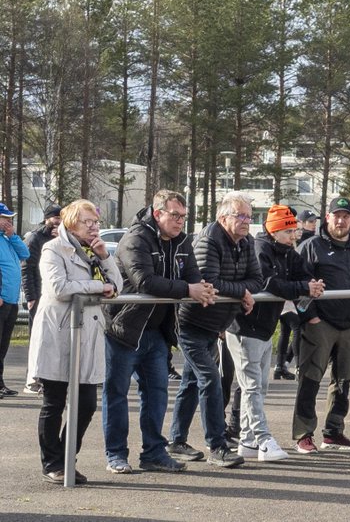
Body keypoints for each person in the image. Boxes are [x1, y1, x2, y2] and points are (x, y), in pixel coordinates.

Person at [104, 190, 216, 474]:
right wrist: (188, 289)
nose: (180, 221)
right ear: (157, 214)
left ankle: (154, 453)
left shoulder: (183, 241)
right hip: (124, 329)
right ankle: (116, 454)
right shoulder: (135, 238)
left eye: (183, 216)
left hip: (157, 332)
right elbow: (144, 281)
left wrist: (202, 288)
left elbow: (193, 275)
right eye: (175, 215)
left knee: (156, 394)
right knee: (116, 394)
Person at [169, 192, 264, 469]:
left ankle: (176, 440)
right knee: (210, 379)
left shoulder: (246, 242)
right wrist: (242, 292)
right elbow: (209, 281)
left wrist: (242, 290)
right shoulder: (208, 240)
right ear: (223, 218)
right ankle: (217, 445)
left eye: (249, 216)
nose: (246, 221)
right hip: (191, 322)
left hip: (216, 323)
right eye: (240, 216)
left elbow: (257, 280)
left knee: (191, 382)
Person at [28, 200, 120, 484]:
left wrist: (105, 257)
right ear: (70, 224)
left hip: (88, 333)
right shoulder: (53, 249)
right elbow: (59, 288)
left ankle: (67, 458)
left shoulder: (96, 251)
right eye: (87, 222)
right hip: (59, 332)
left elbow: (118, 285)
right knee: (54, 402)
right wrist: (99, 287)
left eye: (96, 222)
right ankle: (52, 463)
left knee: (86, 404)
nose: (93, 227)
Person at [292, 197, 350, 454]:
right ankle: (303, 434)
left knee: (343, 380)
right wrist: (311, 316)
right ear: (327, 217)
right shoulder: (311, 247)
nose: (341, 221)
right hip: (320, 324)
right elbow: (298, 282)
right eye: (336, 215)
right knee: (310, 378)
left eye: (345, 216)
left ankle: (333, 432)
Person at [241, 205, 323, 460]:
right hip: (246, 324)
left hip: (265, 325)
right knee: (252, 387)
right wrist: (303, 287)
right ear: (274, 231)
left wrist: (311, 285)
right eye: (288, 231)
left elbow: (303, 274)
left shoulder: (287, 251)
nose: (293, 236)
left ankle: (247, 440)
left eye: (294, 231)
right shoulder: (260, 248)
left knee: (258, 386)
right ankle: (263, 439)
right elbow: (268, 283)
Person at [0, 201, 31, 397]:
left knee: (3, 345)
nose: (8, 221)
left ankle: (0, 382)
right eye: (5, 218)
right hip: (1, 299)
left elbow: (25, 253)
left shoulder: (7, 239)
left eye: (10, 218)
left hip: (11, 301)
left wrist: (13, 236)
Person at [22, 203, 62, 328]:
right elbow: (26, 268)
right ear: (46, 219)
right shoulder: (35, 238)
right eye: (56, 218)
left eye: (62, 218)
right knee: (38, 330)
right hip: (39, 294)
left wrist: (62, 239)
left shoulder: (64, 237)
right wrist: (31, 297)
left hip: (57, 293)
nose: (59, 221)